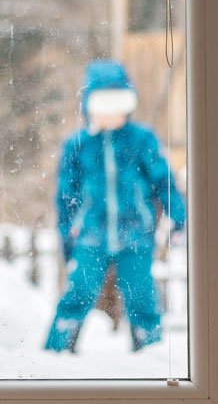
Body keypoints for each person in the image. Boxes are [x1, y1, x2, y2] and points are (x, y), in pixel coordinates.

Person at [44, 60, 186, 354]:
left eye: (117, 104)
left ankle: (150, 354)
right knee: (77, 295)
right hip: (91, 236)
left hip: (136, 235)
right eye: (103, 105)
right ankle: (55, 355)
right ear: (89, 106)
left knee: (142, 299)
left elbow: (164, 181)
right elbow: (65, 197)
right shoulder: (78, 146)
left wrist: (179, 217)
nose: (111, 113)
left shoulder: (141, 140)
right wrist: (67, 239)